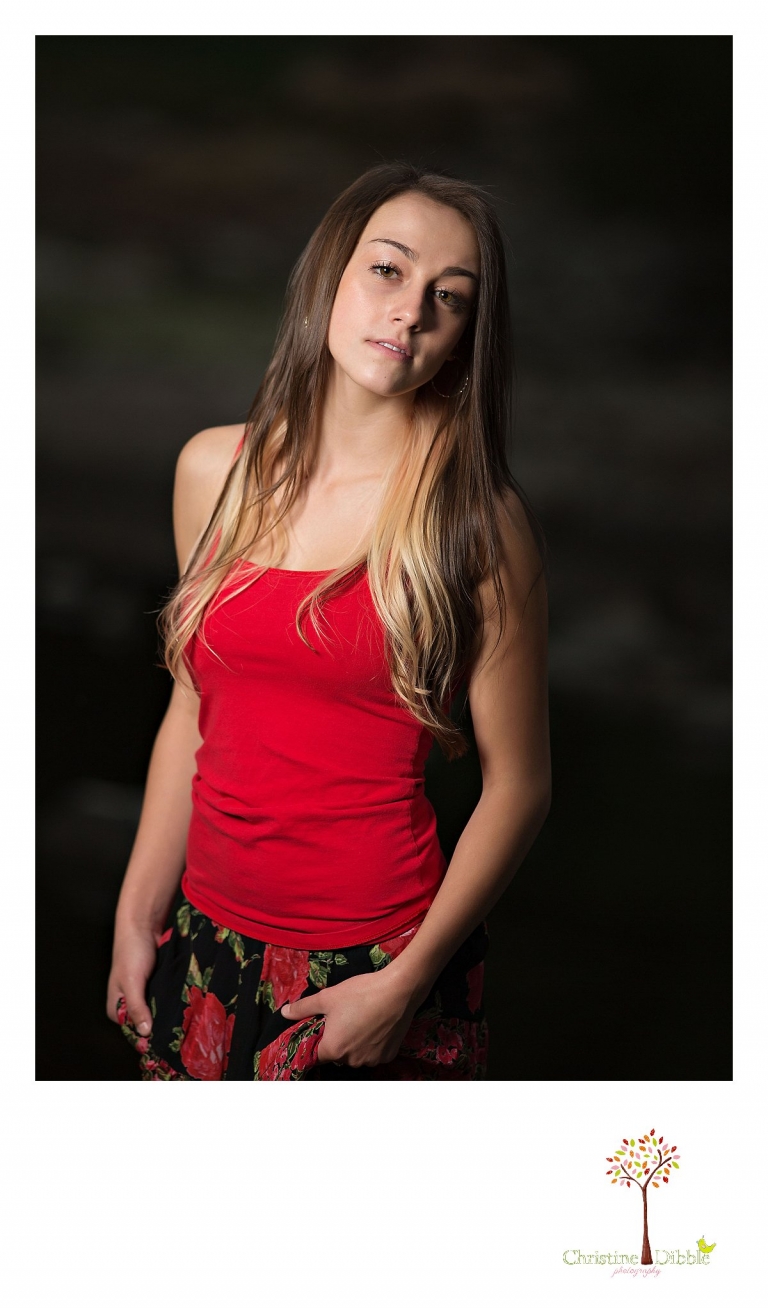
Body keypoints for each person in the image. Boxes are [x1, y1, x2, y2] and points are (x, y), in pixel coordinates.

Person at [106, 161, 551, 1080]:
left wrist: (406, 982)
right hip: (202, 932)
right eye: (387, 271)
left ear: (467, 334)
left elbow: (519, 784)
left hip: (377, 962)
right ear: (330, 277)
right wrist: (135, 912)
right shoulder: (212, 471)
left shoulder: (474, 519)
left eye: (450, 298)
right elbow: (194, 707)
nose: (412, 311)